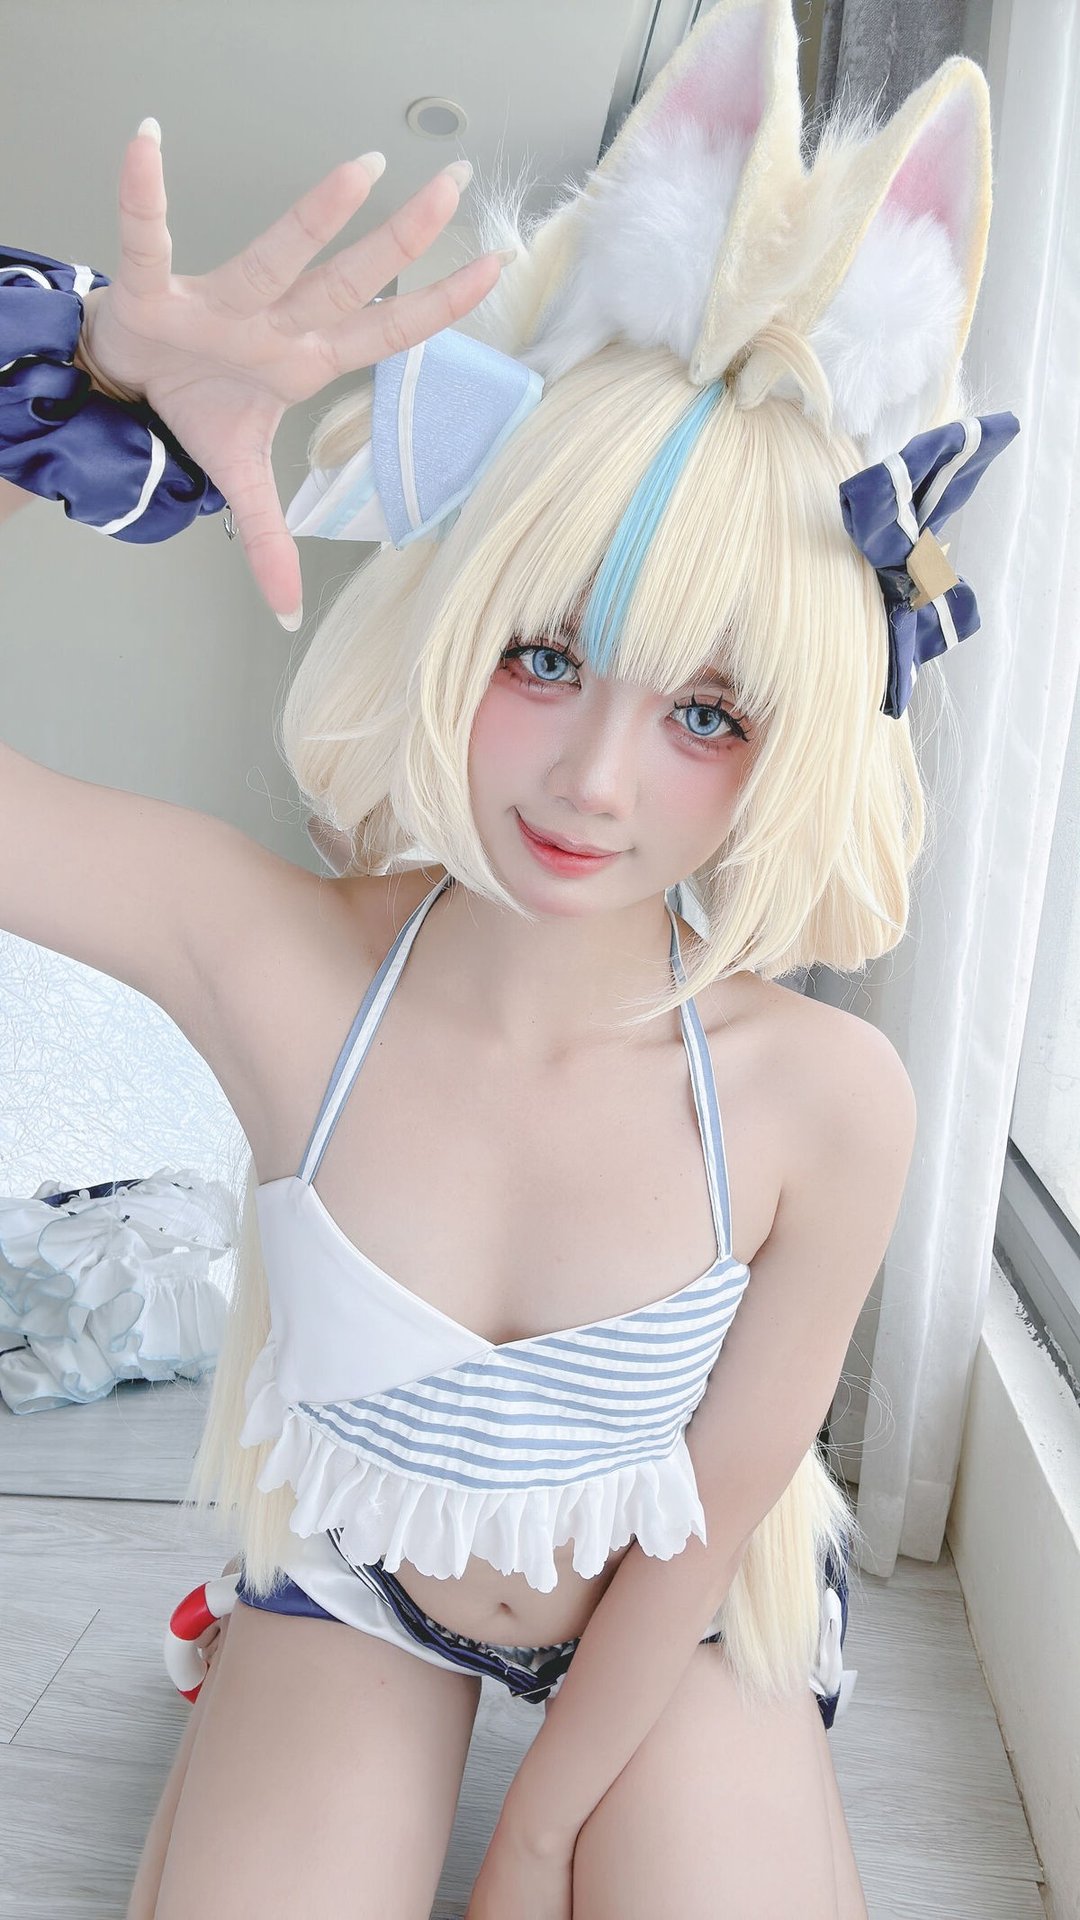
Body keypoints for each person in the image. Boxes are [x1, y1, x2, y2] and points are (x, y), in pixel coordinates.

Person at [0, 2, 1019, 1914]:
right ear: (456, 622)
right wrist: (83, 389)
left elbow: (714, 1508)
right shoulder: (280, 965)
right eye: (545, 659)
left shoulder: (825, 1100)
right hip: (358, 1578)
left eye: (707, 713)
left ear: (796, 740)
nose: (595, 783)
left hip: (676, 1615)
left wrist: (539, 1833)